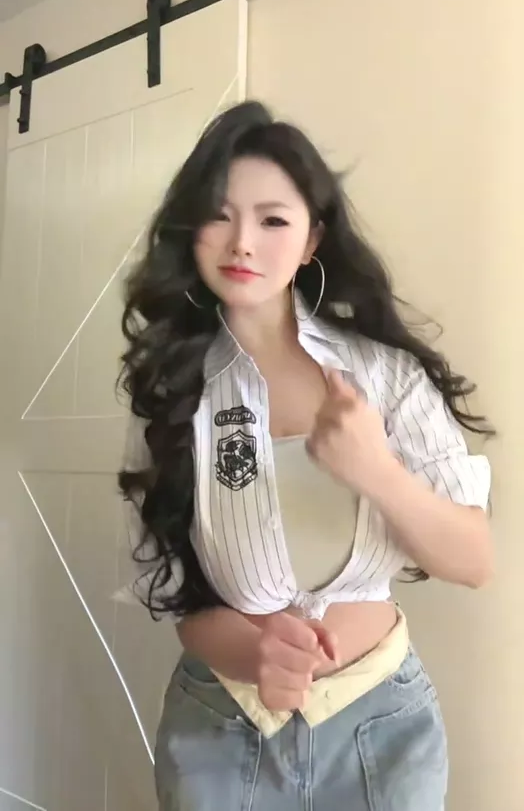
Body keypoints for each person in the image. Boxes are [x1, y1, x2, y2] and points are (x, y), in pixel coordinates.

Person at [118, 101, 493, 811]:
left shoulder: (386, 376)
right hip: (220, 728)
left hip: (384, 728)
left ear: (312, 238)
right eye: (219, 216)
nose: (242, 243)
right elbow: (171, 590)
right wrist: (252, 653)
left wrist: (375, 472)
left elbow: (473, 559)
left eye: (272, 220)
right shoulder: (171, 393)